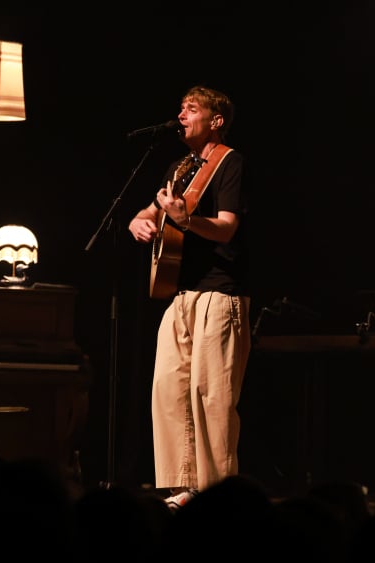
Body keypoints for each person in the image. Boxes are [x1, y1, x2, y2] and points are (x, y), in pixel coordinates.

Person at [127, 85, 251, 510]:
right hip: (180, 292)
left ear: (215, 120)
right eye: (180, 108)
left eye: (191, 109)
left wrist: (188, 220)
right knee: (170, 389)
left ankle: (218, 497)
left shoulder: (229, 161)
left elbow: (227, 226)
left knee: (211, 397)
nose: (181, 115)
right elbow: (153, 209)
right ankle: (185, 486)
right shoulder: (180, 165)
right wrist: (140, 221)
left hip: (220, 292)